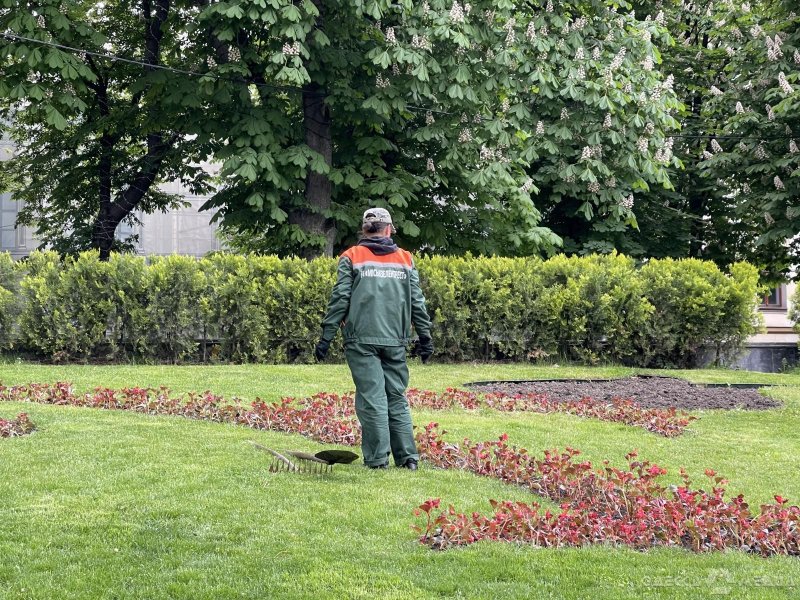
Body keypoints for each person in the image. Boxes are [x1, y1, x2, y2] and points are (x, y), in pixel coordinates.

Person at [315, 207, 434, 470]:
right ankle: (408, 459)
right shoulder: (405, 259)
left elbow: (340, 300)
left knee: (372, 398)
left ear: (364, 230)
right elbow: (417, 302)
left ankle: (378, 459)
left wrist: (326, 336)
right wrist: (425, 337)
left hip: (361, 340)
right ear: (389, 229)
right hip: (396, 339)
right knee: (396, 396)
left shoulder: (352, 257)